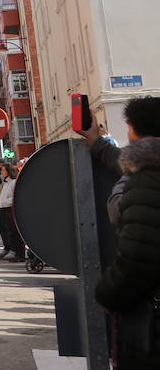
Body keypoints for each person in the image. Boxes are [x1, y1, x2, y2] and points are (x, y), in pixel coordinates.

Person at [94, 100, 160, 369]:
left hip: (151, 320)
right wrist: (97, 143)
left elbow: (137, 258)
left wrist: (107, 294)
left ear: (136, 132)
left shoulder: (146, 181)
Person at [0, 162, 24, 262]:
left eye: (3, 170)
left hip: (10, 209)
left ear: (8, 171)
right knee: (10, 232)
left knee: (15, 232)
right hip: (4, 209)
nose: (1, 172)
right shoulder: (6, 182)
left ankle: (20, 255)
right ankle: (17, 253)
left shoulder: (13, 182)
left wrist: (4, 202)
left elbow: (14, 197)